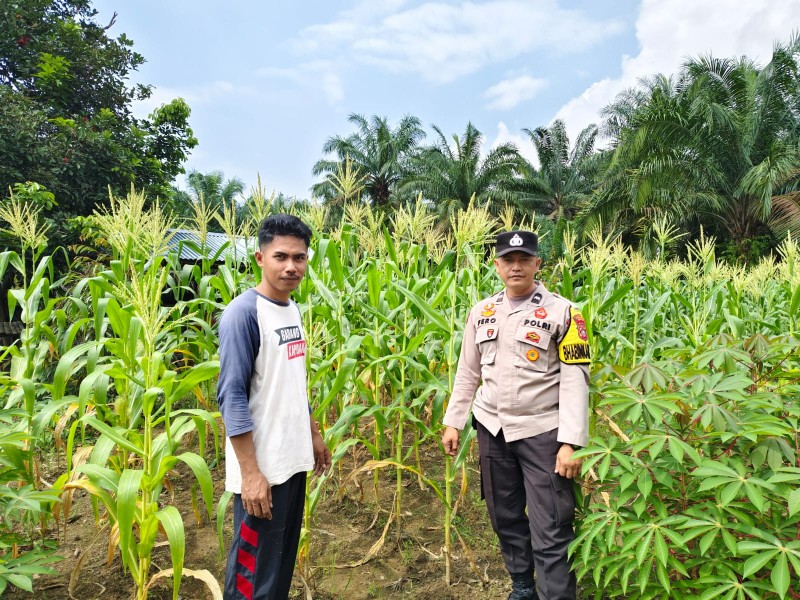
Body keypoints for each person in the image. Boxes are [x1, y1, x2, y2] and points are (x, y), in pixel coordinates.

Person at [441, 230, 590, 600]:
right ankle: (522, 584)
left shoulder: (565, 313)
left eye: (525, 260)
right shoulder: (482, 311)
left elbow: (576, 381)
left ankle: (555, 595)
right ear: (497, 265)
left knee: (552, 524)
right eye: (509, 260)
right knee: (503, 515)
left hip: (542, 432)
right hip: (492, 429)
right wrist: (453, 420)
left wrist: (571, 443)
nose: (517, 267)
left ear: (538, 264)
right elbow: (468, 371)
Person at [217, 213, 331, 600]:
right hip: (262, 470)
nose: (291, 266)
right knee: (252, 577)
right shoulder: (243, 314)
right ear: (259, 258)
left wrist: (313, 436)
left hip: (291, 462)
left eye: (299, 258)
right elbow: (231, 397)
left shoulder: (292, 310)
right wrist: (251, 474)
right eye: (281, 256)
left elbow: (294, 382)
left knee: (279, 565)